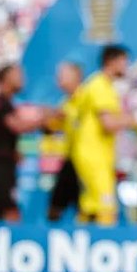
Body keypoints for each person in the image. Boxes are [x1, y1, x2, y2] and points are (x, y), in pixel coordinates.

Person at [73, 44, 136, 225]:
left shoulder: (99, 84)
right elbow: (108, 123)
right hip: (94, 155)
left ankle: (79, 244)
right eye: (124, 61)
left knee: (89, 206)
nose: (127, 66)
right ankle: (103, 245)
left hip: (96, 155)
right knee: (107, 208)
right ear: (111, 61)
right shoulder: (100, 86)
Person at [0, 64, 47, 222]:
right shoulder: (1, 104)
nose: (22, 79)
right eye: (17, 75)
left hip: (6, 163)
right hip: (0, 165)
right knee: (10, 209)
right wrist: (43, 120)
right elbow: (16, 126)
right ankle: (18, 242)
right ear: (6, 79)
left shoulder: (8, 103)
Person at [46, 61, 84, 222]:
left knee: (85, 209)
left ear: (76, 76)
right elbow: (50, 127)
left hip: (85, 163)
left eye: (62, 75)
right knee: (55, 207)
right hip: (70, 160)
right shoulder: (65, 103)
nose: (58, 79)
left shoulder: (85, 99)